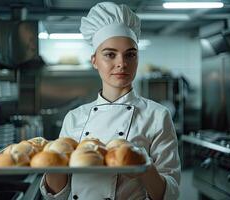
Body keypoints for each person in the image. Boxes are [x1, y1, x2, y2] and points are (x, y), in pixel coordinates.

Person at [40, 2, 180, 200]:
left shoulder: (157, 115)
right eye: (110, 54)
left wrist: (144, 168)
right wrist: (54, 164)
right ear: (94, 60)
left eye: (130, 54)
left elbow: (170, 193)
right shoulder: (74, 117)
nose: (121, 63)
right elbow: (56, 195)